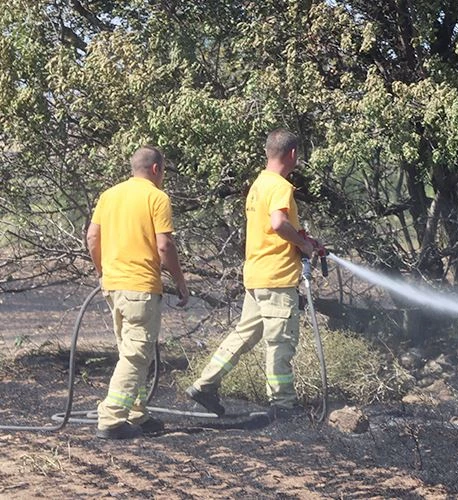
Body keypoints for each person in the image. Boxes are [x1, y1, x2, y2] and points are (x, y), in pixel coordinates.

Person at [186, 129, 318, 420]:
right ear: (293, 154)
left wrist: (300, 239)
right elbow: (277, 223)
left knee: (244, 335)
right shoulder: (281, 186)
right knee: (280, 342)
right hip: (276, 277)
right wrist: (304, 245)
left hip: (256, 275)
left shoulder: (258, 185)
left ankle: (204, 384)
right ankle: (283, 404)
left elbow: (272, 227)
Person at [86, 146, 189, 440]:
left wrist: (102, 271)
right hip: (140, 288)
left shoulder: (109, 195)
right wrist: (180, 281)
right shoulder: (157, 197)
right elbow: (164, 246)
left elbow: (93, 236)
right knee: (135, 354)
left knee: (130, 352)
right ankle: (111, 418)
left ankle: (135, 413)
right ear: (156, 169)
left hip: (114, 286)